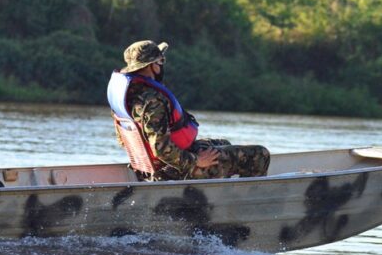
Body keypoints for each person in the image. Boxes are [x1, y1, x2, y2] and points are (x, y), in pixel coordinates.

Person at [107, 40, 270, 181]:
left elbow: (124, 140)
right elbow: (160, 148)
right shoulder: (153, 101)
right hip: (175, 172)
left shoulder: (129, 96)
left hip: (157, 167)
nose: (162, 65)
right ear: (152, 66)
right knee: (260, 155)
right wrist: (195, 161)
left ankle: (219, 193)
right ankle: (245, 205)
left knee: (222, 144)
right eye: (161, 61)